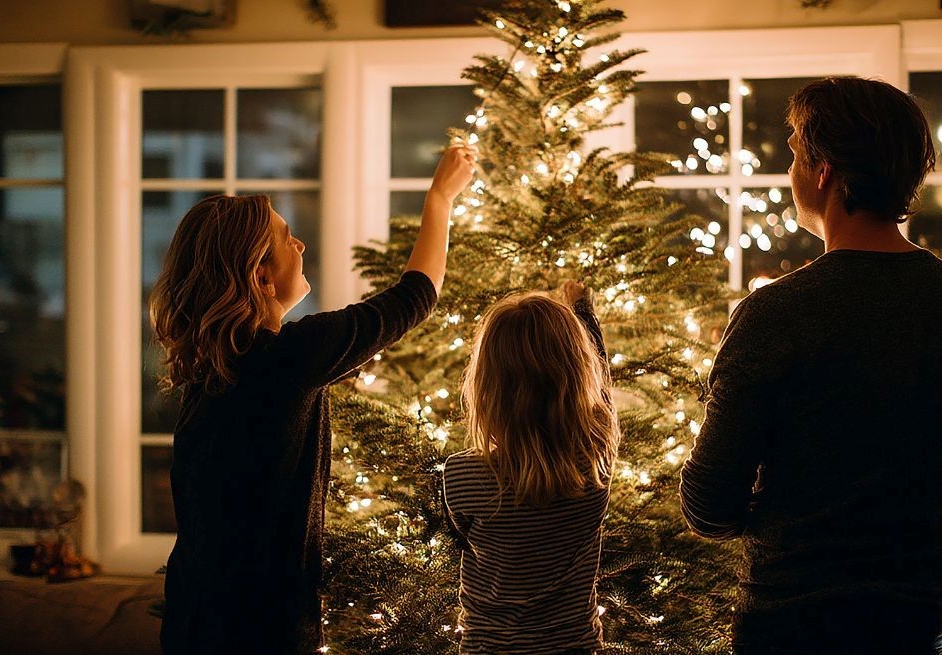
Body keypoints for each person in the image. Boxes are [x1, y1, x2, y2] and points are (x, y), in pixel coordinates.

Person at [679, 76, 942, 654]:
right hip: (917, 619)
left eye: (796, 152)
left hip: (795, 619)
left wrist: (787, 518)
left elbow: (708, 503)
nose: (791, 168)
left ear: (825, 172)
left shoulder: (775, 313)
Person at [153, 143, 475, 654]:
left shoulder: (213, 373)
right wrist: (439, 199)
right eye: (286, 238)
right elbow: (417, 295)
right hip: (259, 628)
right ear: (260, 275)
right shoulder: (288, 360)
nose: (299, 244)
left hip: (195, 618)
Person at [443, 281, 619, 655]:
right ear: (579, 376)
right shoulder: (595, 463)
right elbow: (603, 395)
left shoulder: (460, 476)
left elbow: (460, 533)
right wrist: (583, 313)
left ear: (486, 385)